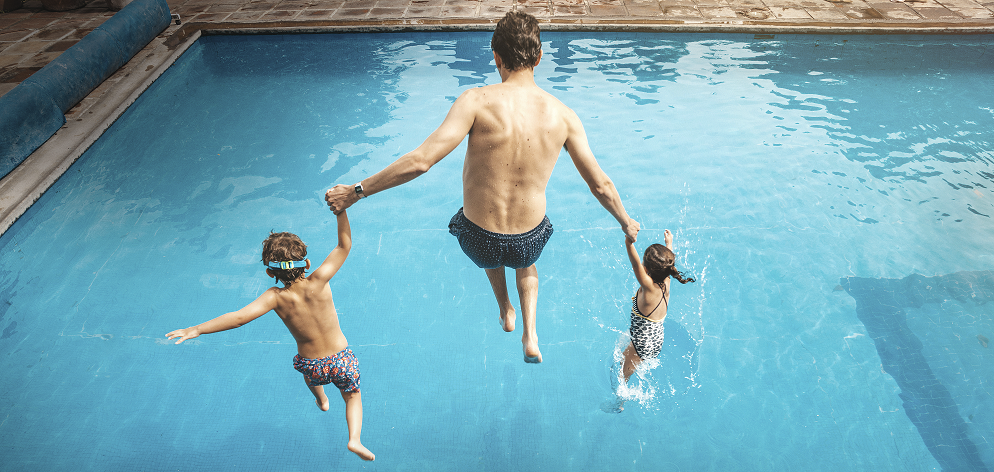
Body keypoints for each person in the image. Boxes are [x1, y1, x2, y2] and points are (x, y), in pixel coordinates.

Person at [324, 11, 639, 364]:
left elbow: (421, 161)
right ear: (538, 58)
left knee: (490, 248)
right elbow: (600, 184)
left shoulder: (476, 101)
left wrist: (356, 192)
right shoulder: (564, 116)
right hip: (528, 241)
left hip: (478, 239)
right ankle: (530, 333)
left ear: (496, 58)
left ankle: (505, 309)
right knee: (526, 263)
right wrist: (625, 221)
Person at [165, 210, 375, 461]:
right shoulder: (320, 279)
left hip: (312, 363)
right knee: (352, 396)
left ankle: (321, 399)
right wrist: (341, 211)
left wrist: (197, 328)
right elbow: (344, 245)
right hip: (341, 359)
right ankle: (354, 439)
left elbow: (239, 318)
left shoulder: (274, 297)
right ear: (306, 264)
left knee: (312, 376)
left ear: (270, 273)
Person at [619, 229, 696, 387]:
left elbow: (635, 265)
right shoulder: (667, 279)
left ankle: (620, 403)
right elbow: (666, 264)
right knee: (627, 352)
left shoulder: (648, 288)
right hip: (656, 339)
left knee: (621, 375)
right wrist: (669, 244)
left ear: (645, 270)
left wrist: (628, 242)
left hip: (642, 343)